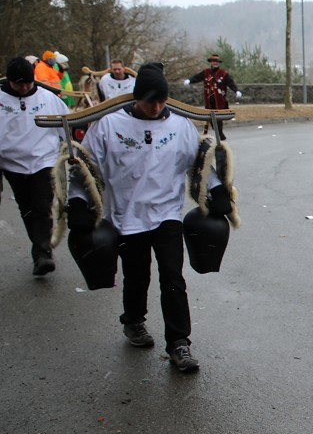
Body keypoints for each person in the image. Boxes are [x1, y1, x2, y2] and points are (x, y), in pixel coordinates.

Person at [69, 63, 226, 372]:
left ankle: (179, 343)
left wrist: (217, 189)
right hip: (127, 215)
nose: (155, 107)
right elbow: (85, 167)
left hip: (167, 214)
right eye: (149, 101)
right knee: (137, 275)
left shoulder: (180, 126)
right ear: (136, 98)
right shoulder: (108, 126)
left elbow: (199, 162)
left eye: (161, 101)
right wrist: (77, 200)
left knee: (173, 278)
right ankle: (134, 321)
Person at [0, 56, 68, 276]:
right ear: (9, 81)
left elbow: (66, 125)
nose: (24, 87)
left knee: (42, 205)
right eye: (19, 84)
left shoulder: (47, 97)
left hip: (43, 161)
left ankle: (42, 252)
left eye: (28, 83)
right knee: (27, 207)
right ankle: (40, 248)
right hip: (11, 163)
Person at [183, 53, 241, 139]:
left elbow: (230, 83)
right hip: (209, 100)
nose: (215, 63)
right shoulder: (206, 72)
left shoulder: (223, 73)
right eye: (213, 61)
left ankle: (220, 136)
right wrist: (190, 80)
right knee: (211, 119)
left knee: (218, 119)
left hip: (220, 101)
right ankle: (220, 136)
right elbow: (197, 77)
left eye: (216, 61)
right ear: (211, 62)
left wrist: (236, 91)